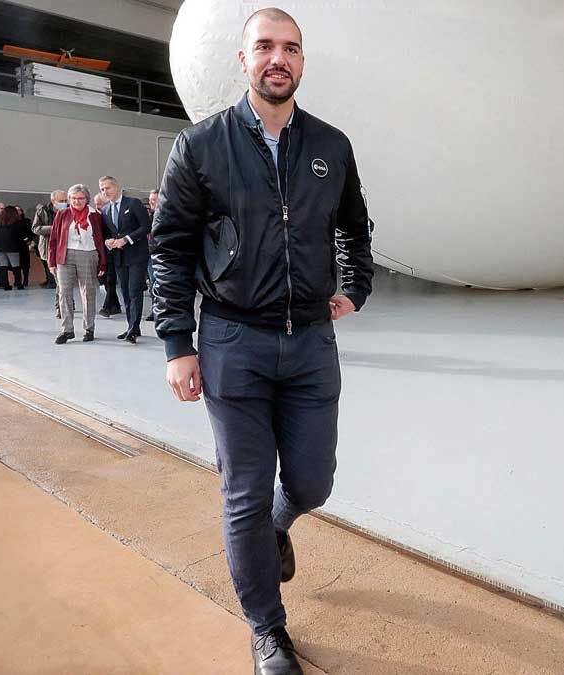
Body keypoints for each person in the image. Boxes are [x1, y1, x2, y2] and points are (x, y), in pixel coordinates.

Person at [151, 9, 373, 674]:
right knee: (243, 490)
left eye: (292, 48)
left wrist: (354, 287)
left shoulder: (331, 145)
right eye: (266, 47)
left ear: (302, 62)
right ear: (243, 59)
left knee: (312, 481)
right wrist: (176, 343)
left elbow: (354, 228)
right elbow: (170, 248)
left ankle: (281, 522)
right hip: (230, 340)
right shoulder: (200, 146)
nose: (280, 58)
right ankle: (267, 628)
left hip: (309, 343)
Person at [48, 184, 108, 344]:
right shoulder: (62, 214)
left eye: (81, 198)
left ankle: (89, 328)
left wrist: (102, 262)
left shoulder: (95, 215)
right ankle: (67, 330)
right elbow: (53, 239)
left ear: (87, 199)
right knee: (64, 293)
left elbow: (100, 239)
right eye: (73, 198)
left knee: (88, 292)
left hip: (88, 254)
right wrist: (51, 261)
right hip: (65, 256)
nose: (77, 201)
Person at [98, 176, 152, 343]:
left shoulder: (133, 203)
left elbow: (146, 226)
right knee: (126, 293)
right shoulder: (105, 210)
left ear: (116, 187)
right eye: (102, 189)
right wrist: (108, 241)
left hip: (136, 254)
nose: (105, 192)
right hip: (120, 257)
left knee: (135, 291)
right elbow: (108, 233)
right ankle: (131, 326)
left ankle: (134, 329)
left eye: (107, 188)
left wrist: (127, 239)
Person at [93, 191, 123, 317]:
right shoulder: (95, 216)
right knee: (104, 280)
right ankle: (115, 305)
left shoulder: (109, 215)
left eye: (100, 204)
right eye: (96, 204)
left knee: (110, 279)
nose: (98, 206)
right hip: (100, 252)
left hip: (111, 251)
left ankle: (106, 306)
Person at [32, 190, 65, 291]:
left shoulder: (68, 210)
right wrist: (53, 228)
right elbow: (35, 228)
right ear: (53, 200)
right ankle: (51, 284)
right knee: (50, 268)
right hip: (48, 245)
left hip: (64, 247)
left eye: (65, 200)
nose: (64, 203)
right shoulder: (42, 211)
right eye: (61, 201)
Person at [0, 202, 24, 290]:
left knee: (3, 265)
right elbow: (19, 236)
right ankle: (18, 284)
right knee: (16, 266)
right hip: (12, 247)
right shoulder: (15, 223)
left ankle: (5, 285)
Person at [145, 189, 159, 322]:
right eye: (150, 200)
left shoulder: (166, 215)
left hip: (159, 254)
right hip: (149, 253)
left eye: (154, 199)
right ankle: (154, 309)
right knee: (152, 283)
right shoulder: (149, 215)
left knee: (157, 283)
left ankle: (159, 310)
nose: (151, 202)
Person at [14, 205, 33, 288]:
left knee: (25, 264)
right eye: (16, 210)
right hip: (15, 245)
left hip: (25, 245)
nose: (18, 212)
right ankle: (17, 281)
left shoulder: (27, 221)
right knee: (16, 264)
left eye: (19, 210)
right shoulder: (12, 222)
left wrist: (28, 239)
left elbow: (31, 232)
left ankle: (25, 280)